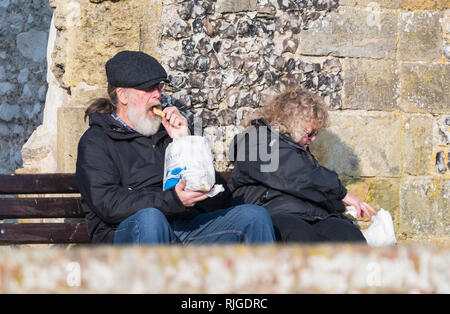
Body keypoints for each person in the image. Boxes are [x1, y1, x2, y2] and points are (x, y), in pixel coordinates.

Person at [75, 50, 275, 245]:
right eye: (148, 89)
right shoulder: (96, 141)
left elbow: (217, 199)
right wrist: (172, 200)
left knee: (253, 216)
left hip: (181, 228)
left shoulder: (166, 135)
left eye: (158, 88)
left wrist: (183, 141)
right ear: (123, 96)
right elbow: (108, 204)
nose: (157, 96)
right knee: (151, 220)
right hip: (124, 233)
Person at [229, 87, 376, 243]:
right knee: (300, 235)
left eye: (315, 134)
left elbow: (312, 186)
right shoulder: (255, 140)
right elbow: (295, 173)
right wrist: (341, 193)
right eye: (310, 133)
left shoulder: (298, 151)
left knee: (348, 235)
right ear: (293, 123)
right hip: (270, 213)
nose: (313, 139)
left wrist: (345, 220)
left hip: (310, 215)